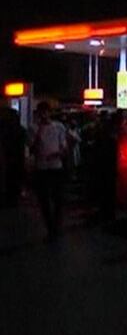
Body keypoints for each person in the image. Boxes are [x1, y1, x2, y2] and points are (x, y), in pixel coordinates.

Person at [29, 102, 68, 240]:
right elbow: (32, 148)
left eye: (46, 112)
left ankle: (56, 226)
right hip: (41, 168)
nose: (44, 115)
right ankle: (50, 227)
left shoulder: (58, 127)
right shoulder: (34, 128)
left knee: (58, 199)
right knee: (44, 199)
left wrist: (58, 154)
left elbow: (64, 148)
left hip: (56, 166)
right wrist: (39, 131)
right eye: (42, 112)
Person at [0, 108, 26, 207]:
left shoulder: (4, 129)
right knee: (15, 178)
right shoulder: (20, 130)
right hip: (17, 158)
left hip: (8, 158)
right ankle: (13, 198)